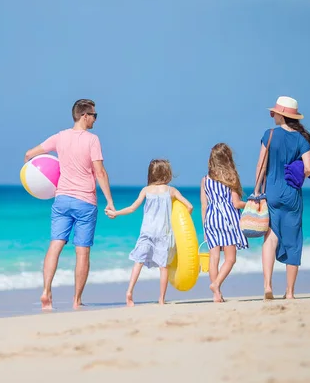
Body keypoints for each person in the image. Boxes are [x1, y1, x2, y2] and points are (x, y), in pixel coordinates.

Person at [24, 99, 115, 310]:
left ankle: (46, 291)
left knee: (55, 245)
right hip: (85, 201)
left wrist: (35, 181)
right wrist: (109, 201)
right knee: (82, 252)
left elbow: (29, 154)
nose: (95, 119)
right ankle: (76, 300)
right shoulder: (92, 140)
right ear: (84, 116)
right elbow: (100, 172)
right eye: (94, 115)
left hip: (62, 199)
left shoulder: (59, 137)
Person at [106, 159, 193, 306]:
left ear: (151, 174)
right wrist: (180, 223)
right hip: (164, 233)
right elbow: (189, 207)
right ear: (167, 173)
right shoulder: (171, 191)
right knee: (163, 266)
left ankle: (129, 292)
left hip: (147, 232)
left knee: (138, 262)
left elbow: (132, 208)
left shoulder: (146, 190)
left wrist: (116, 213)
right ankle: (161, 299)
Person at [255, 96, 310, 300]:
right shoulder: (301, 139)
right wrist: (298, 173)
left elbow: (261, 166)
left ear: (281, 115)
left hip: (271, 192)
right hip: (292, 194)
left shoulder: (269, 134)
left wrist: (257, 193)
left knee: (270, 238)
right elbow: (309, 168)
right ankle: (289, 292)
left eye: (274, 112)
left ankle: (267, 286)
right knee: (293, 241)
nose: (272, 115)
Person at [200, 143, 249, 303]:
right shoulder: (230, 177)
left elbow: (204, 205)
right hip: (227, 220)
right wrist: (250, 204)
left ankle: (216, 295)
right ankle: (216, 284)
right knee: (230, 259)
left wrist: (205, 228)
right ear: (228, 158)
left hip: (211, 220)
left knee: (213, 258)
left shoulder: (205, 180)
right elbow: (235, 204)